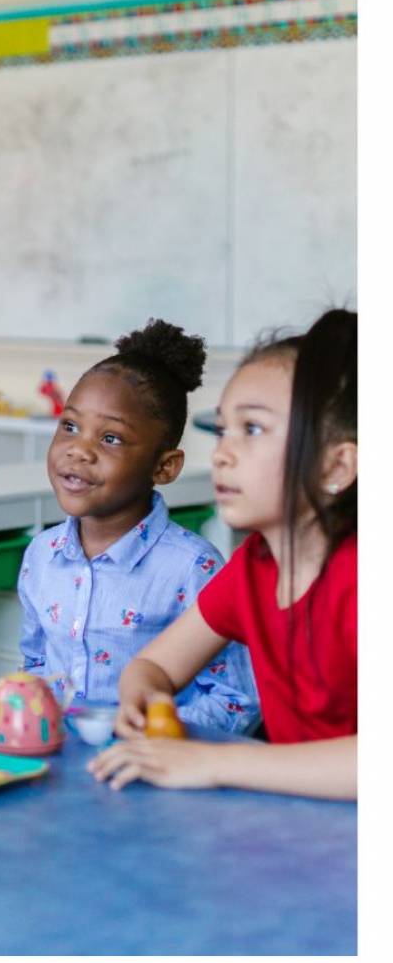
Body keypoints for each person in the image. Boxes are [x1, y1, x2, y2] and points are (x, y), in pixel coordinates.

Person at [90, 309, 356, 800]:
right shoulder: (254, 568)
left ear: (336, 465)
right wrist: (142, 697)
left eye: (252, 430)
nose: (221, 454)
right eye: (222, 431)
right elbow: (154, 667)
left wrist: (216, 762)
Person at [17, 319, 257, 733]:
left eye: (110, 438)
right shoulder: (41, 554)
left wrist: (148, 733)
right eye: (70, 427)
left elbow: (237, 702)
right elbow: (36, 664)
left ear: (165, 467)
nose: (78, 451)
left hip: (153, 771)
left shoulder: (192, 568)